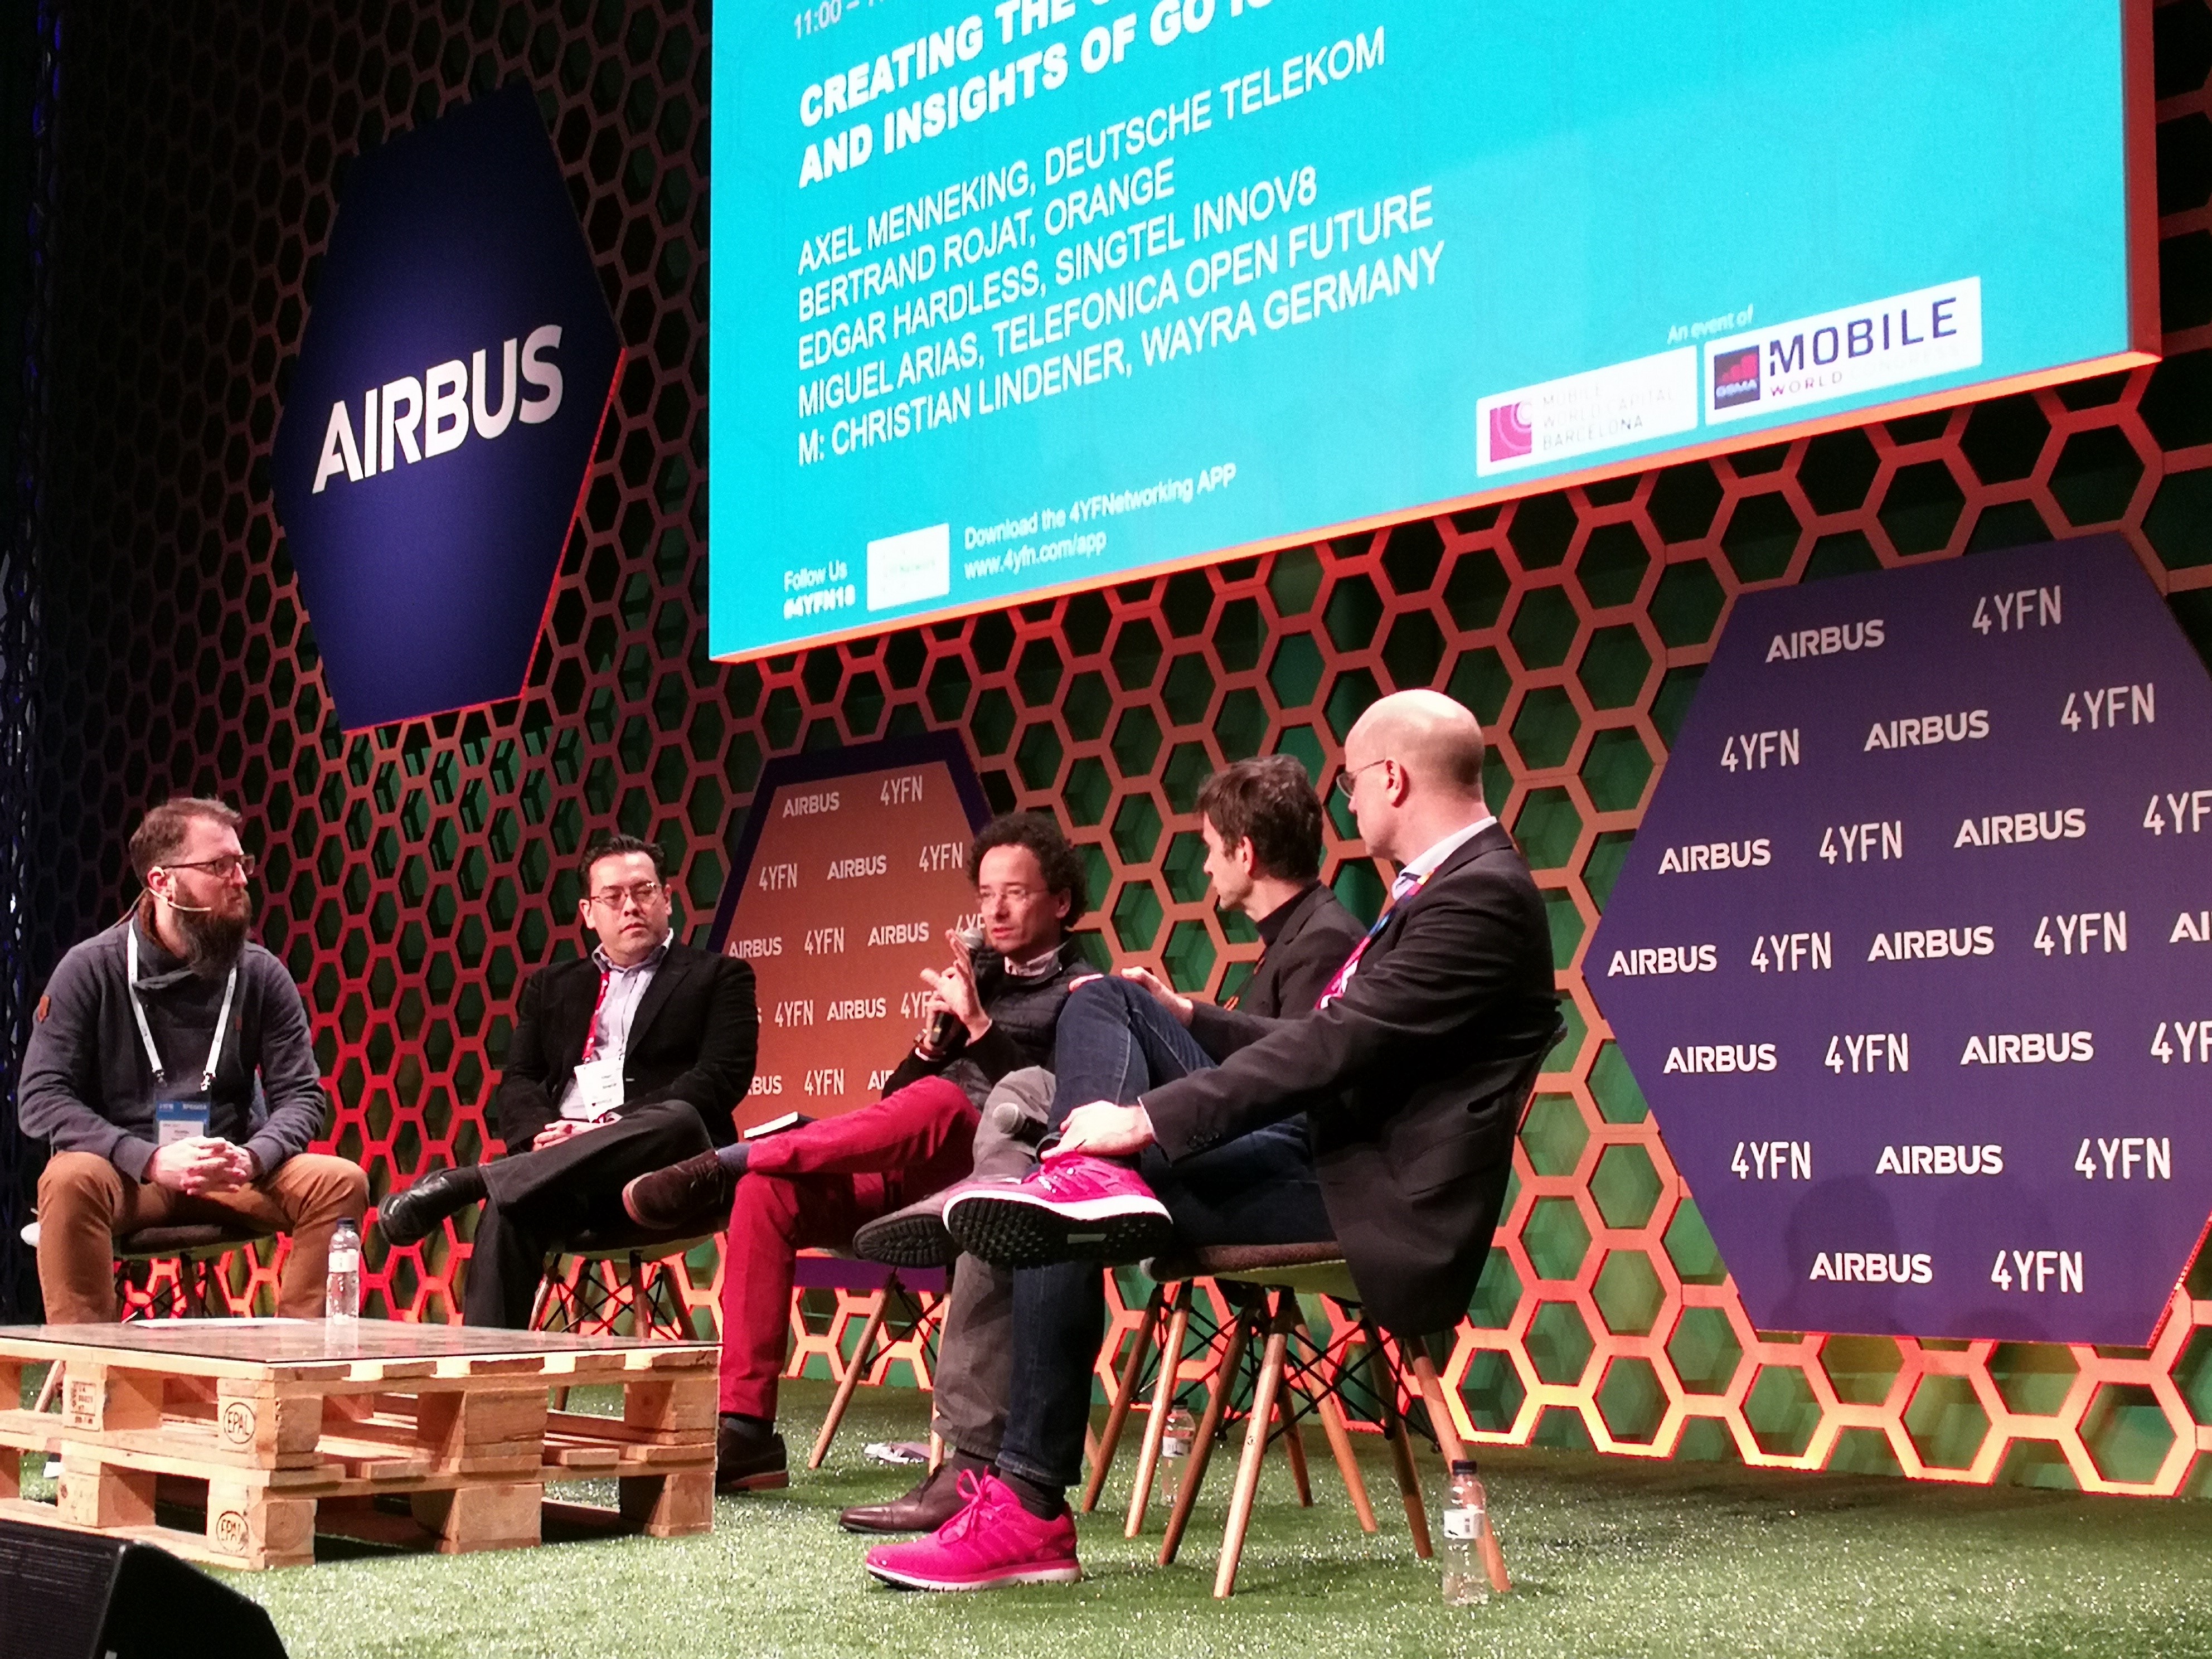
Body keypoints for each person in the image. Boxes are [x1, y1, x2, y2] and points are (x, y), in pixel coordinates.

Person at [868, 689, 1559, 1589]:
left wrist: (1146, 1118)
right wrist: (1187, 1015)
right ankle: (1068, 1197)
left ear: (1390, 778)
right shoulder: (1452, 889)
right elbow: (1331, 1041)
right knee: (1104, 1002)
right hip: (1331, 1153)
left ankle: (1029, 1504)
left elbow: (1332, 1045)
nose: (1345, 803)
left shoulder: (1478, 898)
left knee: (1058, 1191)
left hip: (1366, 1193)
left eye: (1350, 782)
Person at [836, 754, 1365, 1534]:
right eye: (986, 896)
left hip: (1289, 1177)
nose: (1208, 861)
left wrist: (1153, 1061)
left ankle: (996, 1467)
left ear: (1244, 854)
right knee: (1032, 1138)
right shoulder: (1297, 938)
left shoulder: (1323, 939)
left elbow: (1294, 1075)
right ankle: (1025, 1190)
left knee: (1051, 1094)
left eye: (1212, 847)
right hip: (1190, 1147)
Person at [618, 812, 1090, 1493]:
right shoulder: (975, 976)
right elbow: (891, 1102)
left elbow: (1056, 1109)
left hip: (995, 1183)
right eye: (985, 895)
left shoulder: (1083, 992)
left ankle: (735, 1158)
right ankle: (746, 1430)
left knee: (942, 1105)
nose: (996, 909)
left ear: (1061, 901)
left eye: (1014, 893)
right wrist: (932, 1045)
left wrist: (981, 1029)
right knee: (770, 1192)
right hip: (911, 1172)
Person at [375, 832, 758, 1328]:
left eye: (643, 892)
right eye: (613, 897)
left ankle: (473, 1181)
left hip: (663, 1175)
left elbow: (720, 1080)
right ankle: (489, 1384)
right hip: (562, 1179)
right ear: (587, 912)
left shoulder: (721, 977)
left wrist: (606, 1128)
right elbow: (520, 1080)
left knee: (682, 1120)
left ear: (667, 898)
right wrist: (541, 1135)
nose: (631, 907)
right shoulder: (552, 986)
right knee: (513, 1207)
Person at [20, 796, 369, 1323]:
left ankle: (301, 1368)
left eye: (242, 863)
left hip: (233, 1172)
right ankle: (91, 1373)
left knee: (341, 1181)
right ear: (162, 883)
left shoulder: (261, 974)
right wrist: (149, 1158)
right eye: (218, 866)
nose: (240, 879)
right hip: (129, 1176)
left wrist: (254, 1156)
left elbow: (301, 1096)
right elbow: (42, 1099)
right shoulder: (90, 969)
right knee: (68, 1180)